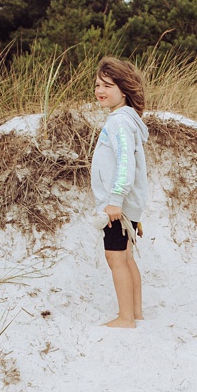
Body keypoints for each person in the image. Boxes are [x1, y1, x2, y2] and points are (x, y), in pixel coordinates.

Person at [89, 56, 149, 328]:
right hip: (127, 203)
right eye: (98, 84)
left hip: (117, 204)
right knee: (125, 257)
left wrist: (115, 201)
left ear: (123, 90)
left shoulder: (119, 123)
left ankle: (125, 318)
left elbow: (125, 163)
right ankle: (135, 312)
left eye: (108, 85)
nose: (100, 91)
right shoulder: (126, 119)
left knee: (115, 257)